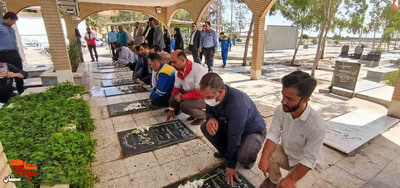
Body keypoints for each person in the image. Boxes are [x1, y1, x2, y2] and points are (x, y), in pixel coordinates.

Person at [258, 71, 325, 188]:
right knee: (268, 152)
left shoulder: (316, 125)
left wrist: (290, 179)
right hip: (288, 155)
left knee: (293, 185)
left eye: (289, 99)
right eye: (283, 95)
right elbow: (273, 134)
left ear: (305, 100)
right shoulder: (281, 110)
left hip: (306, 164)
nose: (283, 101)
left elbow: (309, 159)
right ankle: (273, 181)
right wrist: (263, 158)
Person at [199, 72, 266, 185]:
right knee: (206, 127)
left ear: (220, 92)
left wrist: (230, 165)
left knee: (243, 157)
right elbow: (209, 110)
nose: (206, 100)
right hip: (229, 125)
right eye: (204, 96)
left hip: (252, 131)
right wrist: (210, 118)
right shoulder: (212, 95)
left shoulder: (238, 104)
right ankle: (227, 153)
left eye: (208, 97)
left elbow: (234, 136)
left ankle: (249, 160)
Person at [166, 50, 207, 125]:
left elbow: (200, 92)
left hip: (204, 97)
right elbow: (176, 89)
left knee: (184, 105)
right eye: (172, 62)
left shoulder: (198, 70)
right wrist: (171, 109)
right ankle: (193, 114)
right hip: (191, 95)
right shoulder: (179, 71)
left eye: (174, 62)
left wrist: (183, 97)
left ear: (183, 60)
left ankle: (203, 116)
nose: (172, 65)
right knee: (172, 99)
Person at [0, 12, 25, 94]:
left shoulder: (11, 28)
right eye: (13, 21)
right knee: (6, 75)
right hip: (4, 54)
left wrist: (18, 54)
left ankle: (21, 91)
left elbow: (14, 42)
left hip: (14, 53)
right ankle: (7, 94)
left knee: (19, 72)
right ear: (9, 19)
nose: (14, 24)